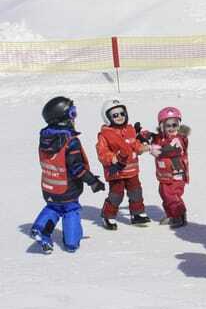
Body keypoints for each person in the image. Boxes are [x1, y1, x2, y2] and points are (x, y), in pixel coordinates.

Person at [31, 96, 105, 253]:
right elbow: (76, 168)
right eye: (73, 114)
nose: (75, 118)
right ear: (63, 118)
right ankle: (71, 242)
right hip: (68, 188)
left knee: (53, 207)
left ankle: (41, 228)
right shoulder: (70, 141)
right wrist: (93, 181)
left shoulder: (45, 137)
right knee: (71, 210)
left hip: (50, 186)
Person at [97, 99, 151, 230]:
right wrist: (112, 158)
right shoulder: (106, 134)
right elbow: (102, 152)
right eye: (115, 115)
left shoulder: (130, 129)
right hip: (117, 171)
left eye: (122, 114)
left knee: (136, 191)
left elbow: (134, 144)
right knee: (117, 194)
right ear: (108, 117)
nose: (120, 117)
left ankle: (137, 214)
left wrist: (141, 148)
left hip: (132, 170)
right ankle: (108, 215)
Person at [144, 107, 190, 228]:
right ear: (162, 127)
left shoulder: (179, 139)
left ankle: (179, 216)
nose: (171, 128)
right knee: (164, 193)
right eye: (168, 126)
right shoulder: (161, 137)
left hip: (176, 174)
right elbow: (156, 138)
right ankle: (171, 214)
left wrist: (155, 149)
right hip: (164, 175)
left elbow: (171, 150)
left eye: (174, 125)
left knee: (172, 195)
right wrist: (146, 135)